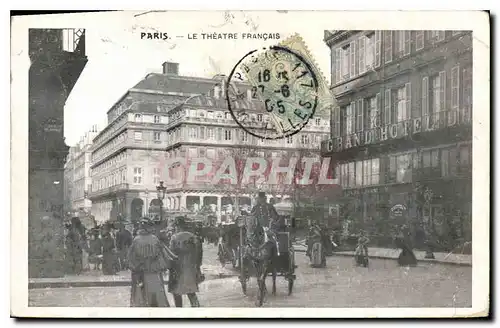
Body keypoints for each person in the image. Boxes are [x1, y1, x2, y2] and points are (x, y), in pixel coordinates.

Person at [128, 217, 176, 307]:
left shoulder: (136, 240)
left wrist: (135, 266)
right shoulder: (154, 239)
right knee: (155, 291)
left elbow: (131, 256)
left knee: (141, 292)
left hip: (140, 269)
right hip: (153, 270)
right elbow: (161, 255)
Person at [168, 216, 203, 307]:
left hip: (177, 268)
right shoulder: (193, 237)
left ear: (177, 226)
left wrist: (169, 266)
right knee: (191, 291)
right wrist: (197, 266)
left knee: (177, 292)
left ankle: (180, 312)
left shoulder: (174, 238)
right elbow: (199, 253)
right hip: (190, 267)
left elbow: (171, 254)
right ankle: (197, 310)